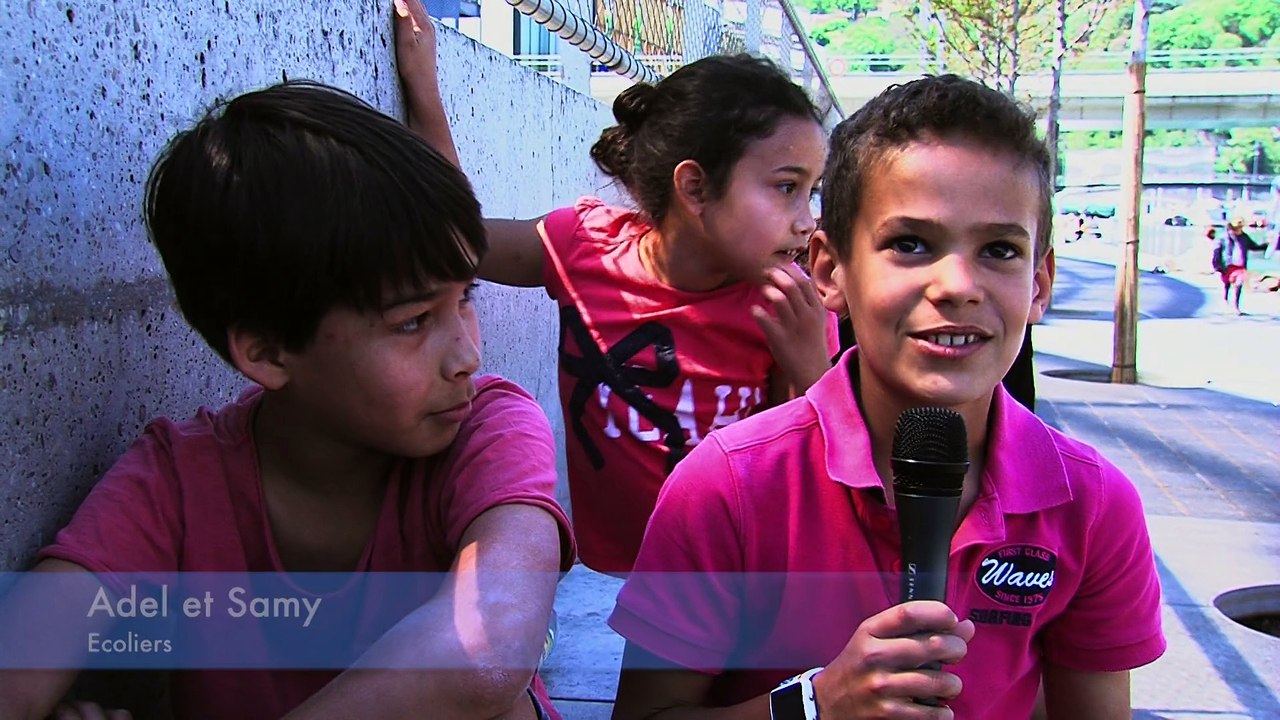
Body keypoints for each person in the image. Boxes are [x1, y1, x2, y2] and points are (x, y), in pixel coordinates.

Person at [0, 77, 573, 720]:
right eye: (413, 321)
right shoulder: (176, 483)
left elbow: (486, 644)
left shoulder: (489, 428)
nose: (467, 355)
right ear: (270, 352)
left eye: (465, 298)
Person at [608, 74, 1165, 719]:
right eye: (910, 244)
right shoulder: (726, 485)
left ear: (1039, 284)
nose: (957, 284)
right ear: (828, 270)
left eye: (999, 250)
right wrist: (814, 707)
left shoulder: (1094, 507)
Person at [395, 0, 835, 575]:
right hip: (630, 564)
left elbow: (816, 466)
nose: (808, 221)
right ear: (696, 189)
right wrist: (423, 86)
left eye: (811, 191)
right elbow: (453, 238)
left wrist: (812, 370)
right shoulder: (584, 246)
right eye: (785, 188)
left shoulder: (786, 309)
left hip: (733, 567)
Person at [1218, 218, 1263, 315]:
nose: (1238, 230)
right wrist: (1217, 265)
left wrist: (1267, 245)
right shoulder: (1224, 238)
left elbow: (1253, 246)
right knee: (1227, 284)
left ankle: (1236, 306)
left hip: (1240, 266)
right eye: (1236, 228)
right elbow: (1217, 251)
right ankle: (1225, 301)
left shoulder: (1244, 237)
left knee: (1239, 284)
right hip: (1228, 265)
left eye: (1240, 227)